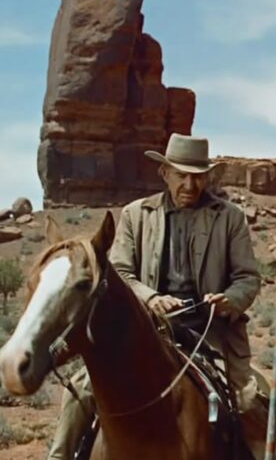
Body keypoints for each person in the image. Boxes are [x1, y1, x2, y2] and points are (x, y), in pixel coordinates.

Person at [48, 133, 262, 459]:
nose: (190, 184)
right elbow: (118, 273)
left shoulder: (229, 217)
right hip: (144, 329)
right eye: (181, 175)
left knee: (248, 400)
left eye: (198, 176)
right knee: (81, 390)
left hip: (210, 330)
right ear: (165, 174)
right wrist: (150, 299)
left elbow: (247, 277)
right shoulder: (137, 214)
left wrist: (229, 300)